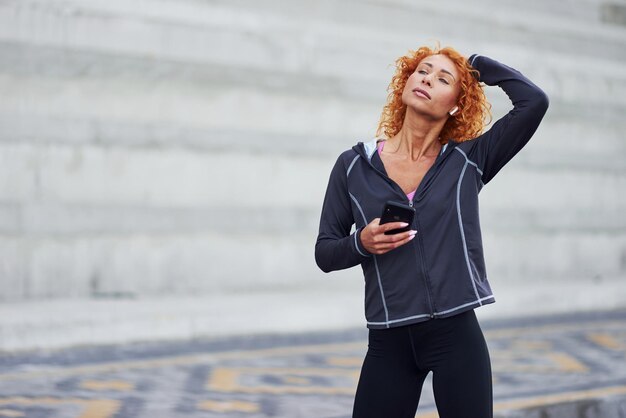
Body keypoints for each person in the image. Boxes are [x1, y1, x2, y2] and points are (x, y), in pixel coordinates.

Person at [314, 45, 549, 418]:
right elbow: (324, 253)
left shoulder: (469, 160)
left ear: (456, 104)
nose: (427, 79)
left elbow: (534, 102)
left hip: (456, 337)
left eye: (443, 79)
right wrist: (362, 242)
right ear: (406, 82)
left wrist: (476, 66)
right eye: (422, 71)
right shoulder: (353, 166)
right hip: (388, 341)